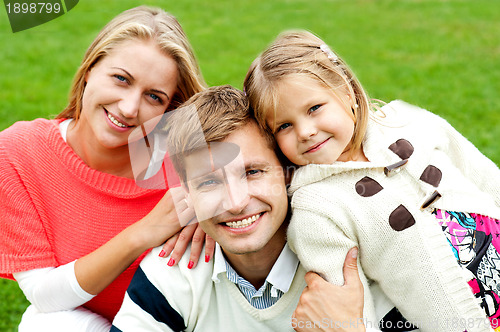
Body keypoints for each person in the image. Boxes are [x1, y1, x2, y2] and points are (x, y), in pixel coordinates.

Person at [243, 30, 500, 331]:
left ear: (347, 93)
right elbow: (348, 306)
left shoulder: (410, 121)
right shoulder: (316, 208)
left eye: (314, 108)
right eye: (284, 125)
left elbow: (485, 177)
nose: (305, 131)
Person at [0, 6, 214, 331]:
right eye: (121, 79)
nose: (129, 108)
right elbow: (44, 296)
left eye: (154, 97)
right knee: (43, 324)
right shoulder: (18, 152)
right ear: (89, 68)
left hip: (187, 322)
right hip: (94, 322)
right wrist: (141, 234)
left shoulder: (191, 162)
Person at [111, 85, 375, 332]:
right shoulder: (173, 273)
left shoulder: (351, 252)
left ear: (286, 172)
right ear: (188, 191)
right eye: (209, 182)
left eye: (252, 172)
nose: (236, 203)